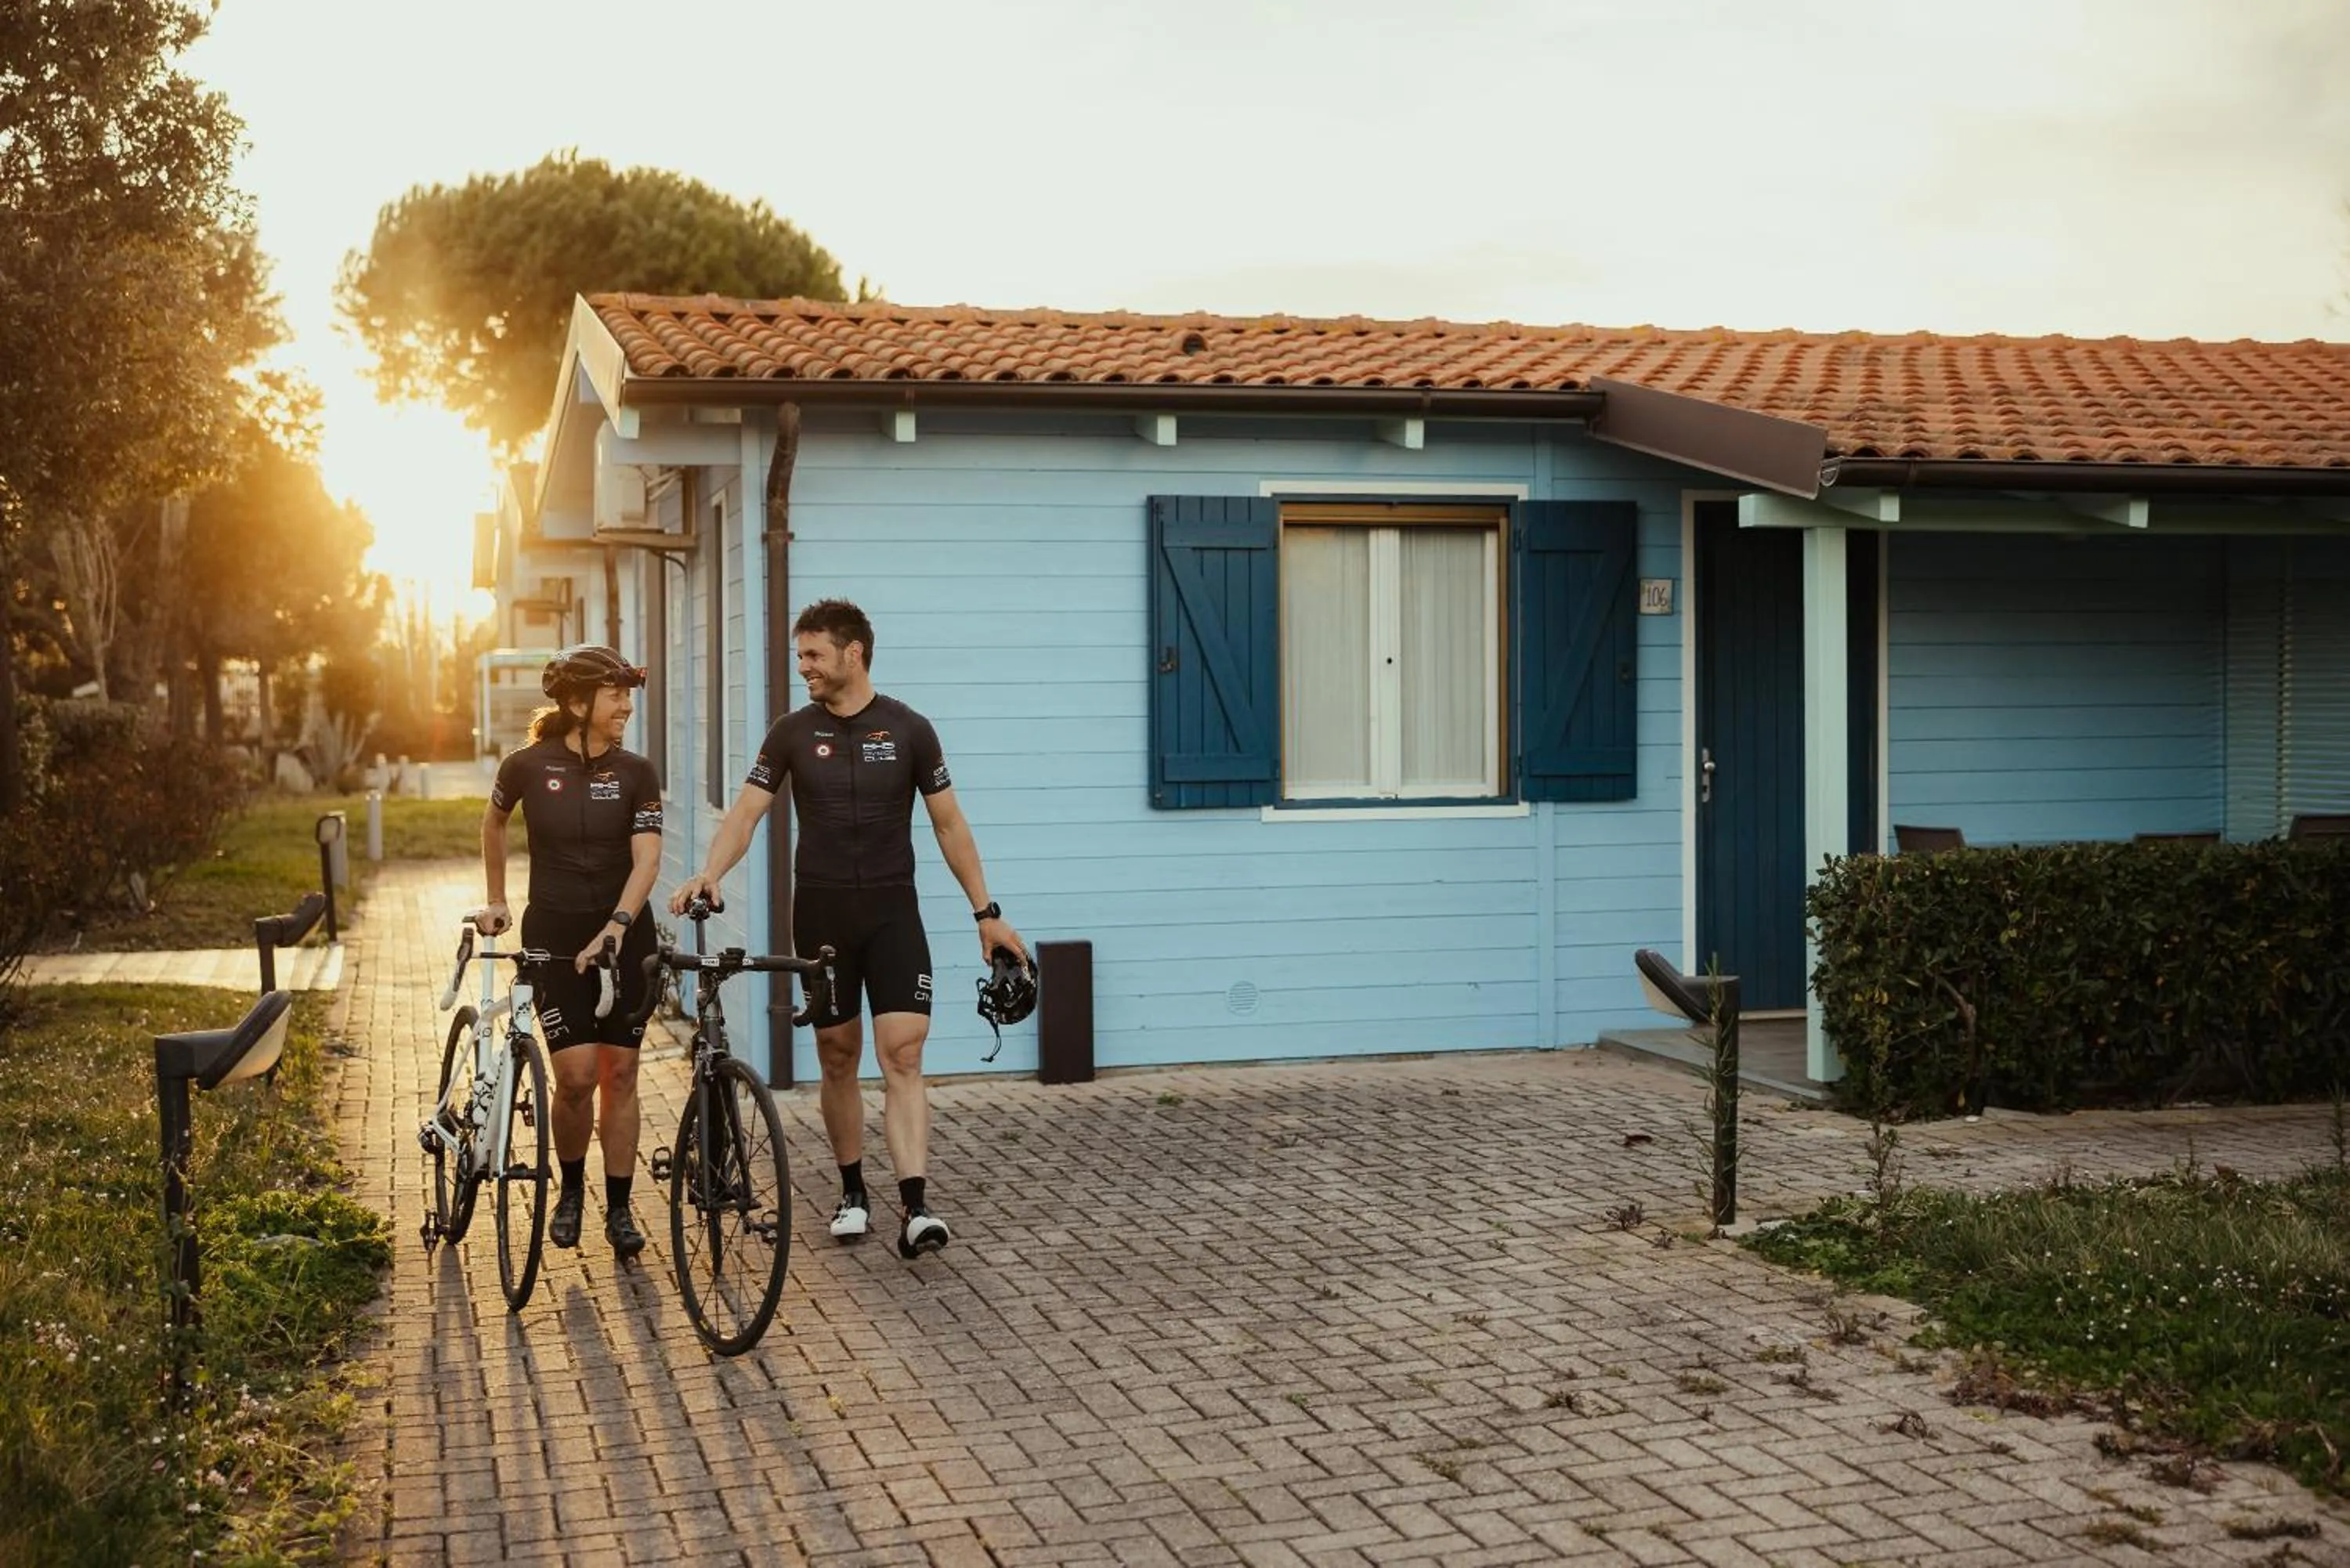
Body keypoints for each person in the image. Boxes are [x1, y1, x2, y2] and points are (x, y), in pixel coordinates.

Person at [671, 598, 1027, 1259]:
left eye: (812, 655)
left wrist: (987, 914)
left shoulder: (911, 730)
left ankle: (916, 1205)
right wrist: (711, 872)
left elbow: (950, 825)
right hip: (824, 914)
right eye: (800, 655)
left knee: (905, 1052)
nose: (803, 666)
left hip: (894, 912)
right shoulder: (790, 733)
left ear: (852, 654)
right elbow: (748, 813)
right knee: (839, 1054)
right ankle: (853, 1190)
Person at [479, 645, 663, 1259]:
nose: (626, 706)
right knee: (578, 1077)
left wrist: (616, 925)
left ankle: (617, 1209)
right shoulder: (527, 766)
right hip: (554, 938)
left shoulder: (637, 772)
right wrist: (498, 898)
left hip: (625, 938)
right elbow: (493, 822)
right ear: (579, 702)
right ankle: (570, 1192)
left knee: (622, 1073)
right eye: (615, 695)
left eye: (627, 694)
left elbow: (647, 860)